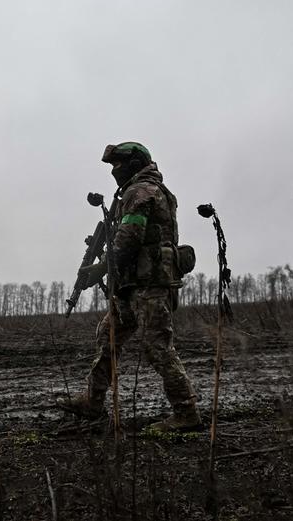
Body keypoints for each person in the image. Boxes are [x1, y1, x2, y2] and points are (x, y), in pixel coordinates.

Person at [57, 141, 202, 432]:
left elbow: (130, 236)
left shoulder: (142, 191)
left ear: (135, 163)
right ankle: (93, 401)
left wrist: (101, 268)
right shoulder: (135, 191)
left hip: (149, 285)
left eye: (118, 164)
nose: (115, 171)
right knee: (108, 337)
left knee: (157, 347)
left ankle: (186, 412)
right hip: (131, 284)